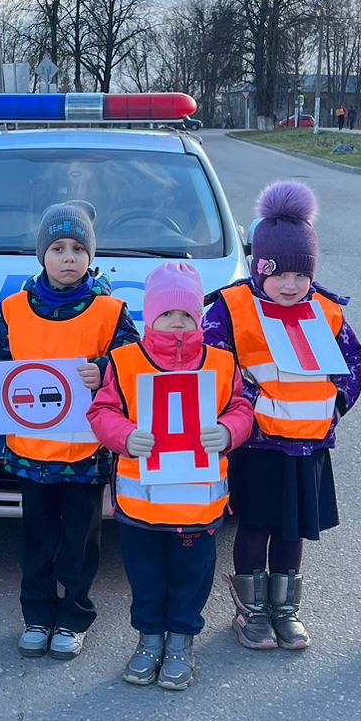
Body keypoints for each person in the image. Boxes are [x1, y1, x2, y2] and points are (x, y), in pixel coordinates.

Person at [202, 181, 361, 652]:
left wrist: (335, 403)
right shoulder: (232, 308)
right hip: (257, 446)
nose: (291, 285)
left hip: (308, 445)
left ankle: (286, 607)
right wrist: (246, 406)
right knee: (255, 525)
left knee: (293, 531)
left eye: (301, 275)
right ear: (260, 268)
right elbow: (215, 365)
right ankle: (250, 610)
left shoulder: (328, 312)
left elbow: (353, 364)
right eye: (279, 275)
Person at [0, 202, 139, 661]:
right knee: (37, 539)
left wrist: (104, 368)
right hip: (31, 451)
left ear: (90, 256)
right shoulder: (13, 308)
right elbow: (2, 359)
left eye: (77, 249)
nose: (68, 257)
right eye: (58, 248)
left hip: (85, 452)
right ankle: (37, 615)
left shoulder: (111, 310)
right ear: (41, 255)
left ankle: (74, 615)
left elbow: (133, 364)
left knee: (81, 542)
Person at [88, 262, 254, 692]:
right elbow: (102, 412)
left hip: (197, 505)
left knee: (190, 577)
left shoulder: (221, 363)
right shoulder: (125, 362)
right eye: (166, 314)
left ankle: (180, 640)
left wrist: (230, 430)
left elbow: (241, 409)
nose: (177, 322)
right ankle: (148, 640)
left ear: (199, 317)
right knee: (145, 577)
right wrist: (123, 435)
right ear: (150, 316)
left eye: (186, 314)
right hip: (140, 504)